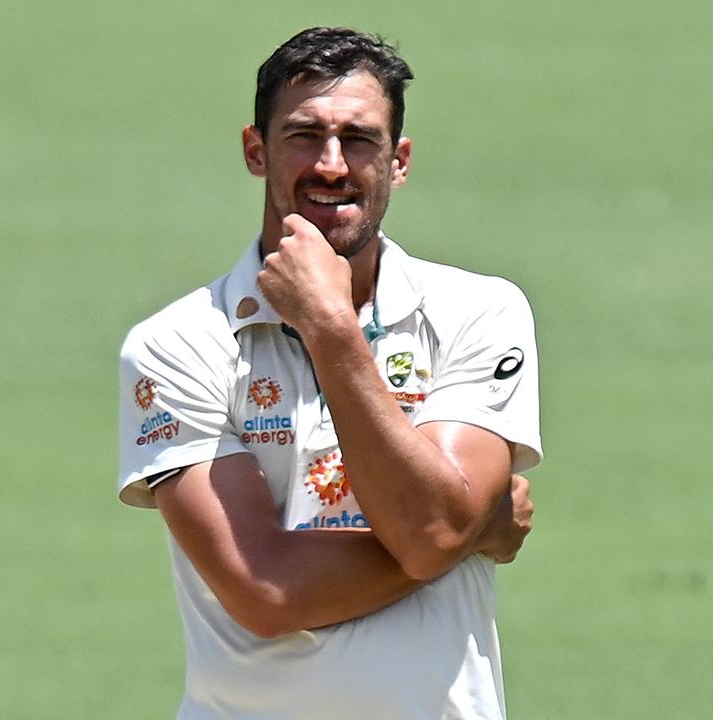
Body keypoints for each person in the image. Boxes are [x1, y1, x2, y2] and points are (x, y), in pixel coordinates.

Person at [118, 27, 543, 720]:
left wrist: (331, 331)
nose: (331, 164)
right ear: (255, 150)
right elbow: (266, 594)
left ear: (398, 161)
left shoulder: (478, 311)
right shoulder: (175, 344)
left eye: (360, 139)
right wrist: (472, 527)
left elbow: (431, 529)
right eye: (303, 135)